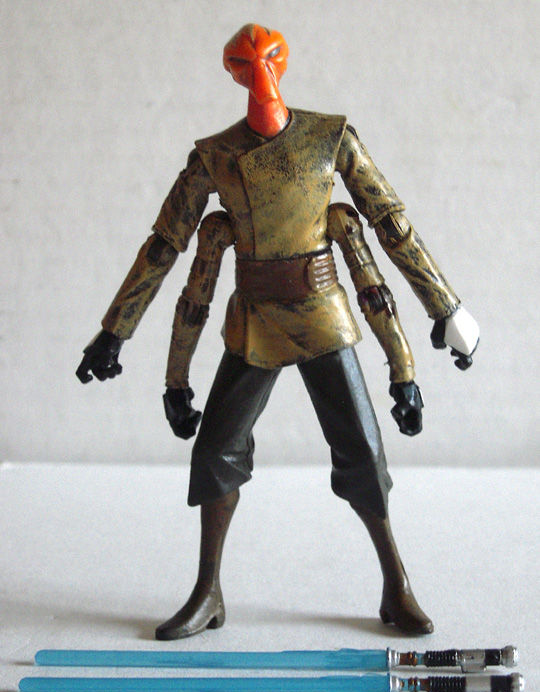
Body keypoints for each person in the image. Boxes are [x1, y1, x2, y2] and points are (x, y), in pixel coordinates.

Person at [77, 24, 479, 640]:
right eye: (245, 63)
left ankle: (396, 583)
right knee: (215, 451)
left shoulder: (331, 138)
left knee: (364, 451)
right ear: (232, 71)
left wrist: (444, 306)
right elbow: (165, 243)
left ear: (281, 64)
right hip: (255, 317)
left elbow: (390, 221)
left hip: (322, 310)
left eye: (267, 59)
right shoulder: (215, 155)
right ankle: (208, 590)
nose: (258, 72)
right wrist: (116, 329)